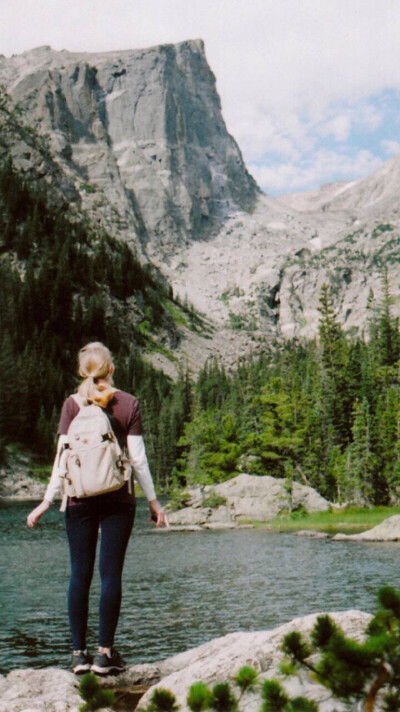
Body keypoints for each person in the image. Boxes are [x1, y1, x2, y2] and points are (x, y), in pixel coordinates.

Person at [27, 342, 169, 675]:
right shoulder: (128, 403)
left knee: (80, 574)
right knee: (110, 575)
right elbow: (138, 460)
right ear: (112, 370)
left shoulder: (71, 405)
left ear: (82, 372)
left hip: (78, 500)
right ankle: (105, 655)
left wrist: (48, 501)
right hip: (118, 499)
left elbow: (62, 459)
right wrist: (152, 500)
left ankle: (78, 655)